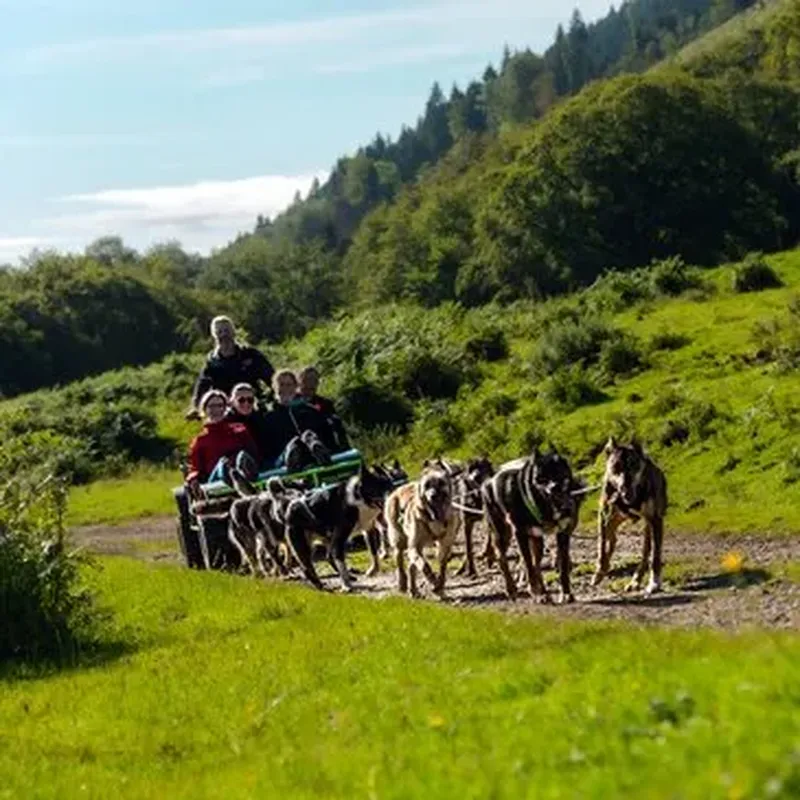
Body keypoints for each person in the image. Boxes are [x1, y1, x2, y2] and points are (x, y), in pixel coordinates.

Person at [187, 316, 274, 419]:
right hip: (225, 414)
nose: (224, 335)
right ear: (214, 335)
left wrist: (271, 400)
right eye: (219, 332)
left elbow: (272, 379)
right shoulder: (212, 361)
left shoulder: (250, 354)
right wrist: (195, 407)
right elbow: (202, 387)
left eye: (227, 330)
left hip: (251, 409)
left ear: (233, 332)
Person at [185, 389, 260, 495]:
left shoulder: (239, 429)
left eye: (220, 406)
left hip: (240, 469)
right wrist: (193, 478)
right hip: (216, 480)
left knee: (242, 456)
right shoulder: (200, 440)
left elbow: (253, 452)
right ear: (205, 409)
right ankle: (234, 477)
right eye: (211, 406)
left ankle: (242, 476)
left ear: (225, 408)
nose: (216, 410)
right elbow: (195, 467)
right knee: (223, 463)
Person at [261, 369, 341, 467]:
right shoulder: (268, 418)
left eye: (289, 385)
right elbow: (268, 450)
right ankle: (294, 452)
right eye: (281, 384)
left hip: (314, 456)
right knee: (294, 446)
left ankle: (313, 447)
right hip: (284, 462)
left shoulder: (311, 411)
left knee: (309, 437)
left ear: (296, 387)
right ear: (274, 388)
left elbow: (329, 437)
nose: (285, 388)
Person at [296, 365, 350, 452]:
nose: (311, 383)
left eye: (315, 380)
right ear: (300, 381)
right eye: (308, 379)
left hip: (325, 440)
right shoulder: (293, 403)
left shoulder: (325, 403)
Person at [225, 382, 272, 466]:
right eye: (241, 400)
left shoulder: (260, 418)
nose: (246, 403)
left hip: (265, 461)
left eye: (250, 400)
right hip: (240, 465)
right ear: (232, 402)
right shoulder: (227, 423)